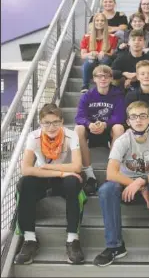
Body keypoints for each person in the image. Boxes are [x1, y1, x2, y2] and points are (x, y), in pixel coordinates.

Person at [93, 101, 149, 267]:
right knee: (106, 189)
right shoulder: (122, 140)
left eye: (143, 116)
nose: (139, 120)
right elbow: (111, 173)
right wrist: (138, 185)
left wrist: (142, 182)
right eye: (134, 117)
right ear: (128, 121)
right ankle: (115, 246)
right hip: (126, 185)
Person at [14, 103, 86, 265]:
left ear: (62, 122)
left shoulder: (70, 135)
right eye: (46, 122)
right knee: (25, 183)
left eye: (55, 122)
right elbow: (26, 169)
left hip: (65, 180)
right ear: (40, 123)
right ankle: (30, 239)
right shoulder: (34, 137)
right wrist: (60, 172)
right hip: (48, 177)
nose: (51, 127)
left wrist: (48, 166)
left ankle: (72, 239)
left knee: (72, 182)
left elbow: (76, 166)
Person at [75, 65, 125, 196]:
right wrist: (89, 124)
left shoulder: (117, 95)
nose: (103, 79)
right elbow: (79, 117)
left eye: (106, 76)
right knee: (78, 129)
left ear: (111, 78)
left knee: (119, 128)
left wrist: (105, 124)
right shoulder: (87, 96)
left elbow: (120, 116)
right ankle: (90, 175)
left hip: (108, 130)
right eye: (99, 76)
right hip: (91, 129)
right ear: (94, 79)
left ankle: (111, 172)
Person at [80, 13, 118, 93]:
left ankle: (101, 85)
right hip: (91, 62)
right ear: (94, 22)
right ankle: (85, 86)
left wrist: (104, 53)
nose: (99, 22)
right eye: (97, 20)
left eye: (102, 20)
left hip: (104, 61)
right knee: (90, 60)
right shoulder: (87, 37)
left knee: (105, 59)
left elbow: (112, 54)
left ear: (105, 23)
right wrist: (90, 54)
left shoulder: (112, 37)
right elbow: (83, 55)